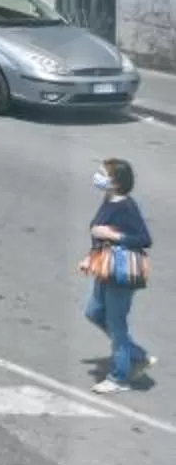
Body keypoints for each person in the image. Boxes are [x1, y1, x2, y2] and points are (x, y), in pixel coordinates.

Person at [86, 154, 152, 392]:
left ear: (116, 182)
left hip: (120, 273)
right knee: (93, 312)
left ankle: (119, 378)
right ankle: (136, 354)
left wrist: (112, 236)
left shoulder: (126, 206)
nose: (98, 176)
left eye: (103, 174)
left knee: (117, 325)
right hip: (104, 268)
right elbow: (99, 229)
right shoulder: (109, 199)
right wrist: (91, 253)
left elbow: (144, 239)